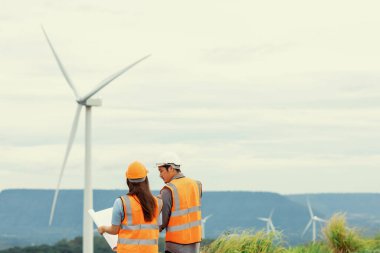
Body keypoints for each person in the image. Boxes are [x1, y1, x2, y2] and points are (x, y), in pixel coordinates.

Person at [98, 161, 162, 253]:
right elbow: (157, 228)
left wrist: (103, 228)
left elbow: (114, 230)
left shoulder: (120, 202)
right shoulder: (157, 203)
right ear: (146, 179)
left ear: (128, 181)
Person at [157, 152, 202, 253]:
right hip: (194, 244)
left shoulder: (168, 190)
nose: (160, 175)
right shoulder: (196, 184)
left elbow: (161, 222)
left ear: (171, 168)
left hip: (175, 245)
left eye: (161, 171)